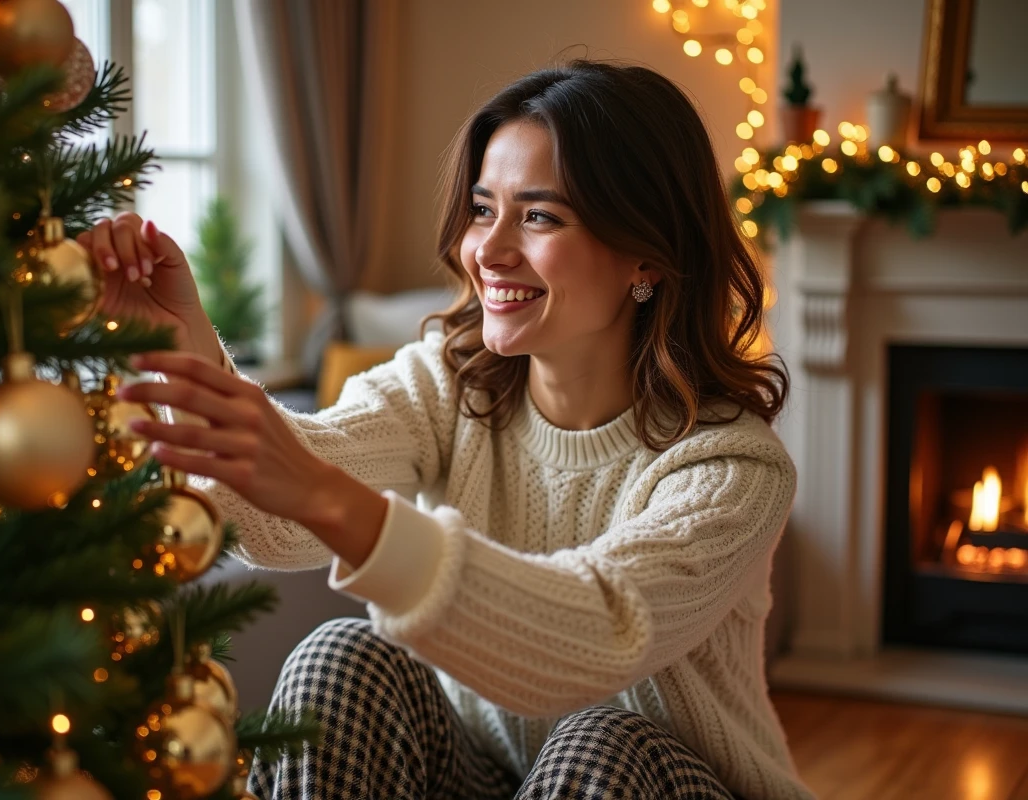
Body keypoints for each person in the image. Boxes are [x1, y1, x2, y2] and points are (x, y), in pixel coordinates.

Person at [82, 60, 813, 800]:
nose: (487, 252)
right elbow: (275, 519)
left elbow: (595, 635)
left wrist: (330, 499)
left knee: (602, 743)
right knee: (341, 656)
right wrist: (186, 345)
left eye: (538, 216)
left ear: (648, 256)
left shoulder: (732, 466)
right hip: (486, 774)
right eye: (482, 208)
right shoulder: (450, 385)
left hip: (650, 784)